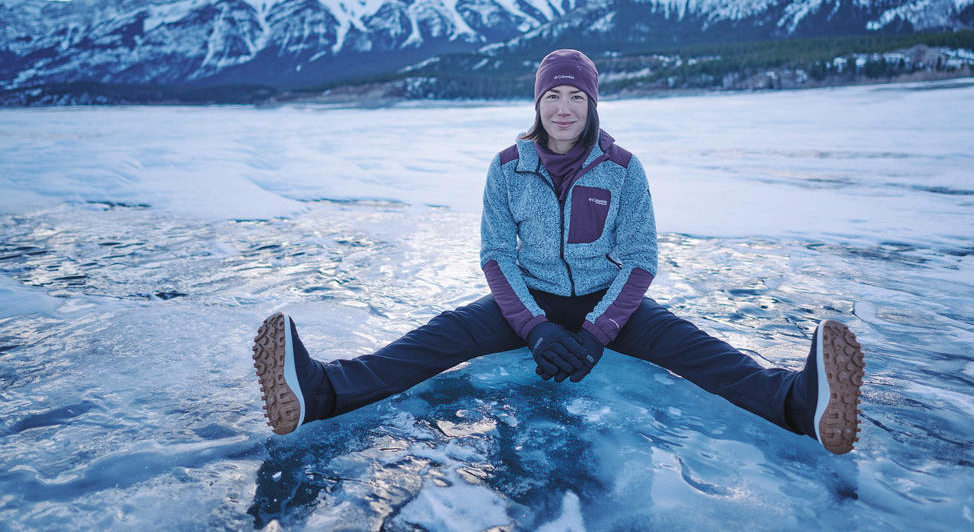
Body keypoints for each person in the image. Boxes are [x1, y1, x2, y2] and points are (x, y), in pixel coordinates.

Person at [252, 49, 865, 454]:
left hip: (607, 303)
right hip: (528, 301)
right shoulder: (506, 168)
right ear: (537, 104)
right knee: (435, 340)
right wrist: (536, 328)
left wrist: (599, 332)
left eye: (576, 96)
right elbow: (497, 256)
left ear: (592, 104)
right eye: (553, 96)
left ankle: (799, 403)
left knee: (696, 350)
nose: (564, 107)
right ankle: (322, 391)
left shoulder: (623, 168)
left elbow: (640, 258)